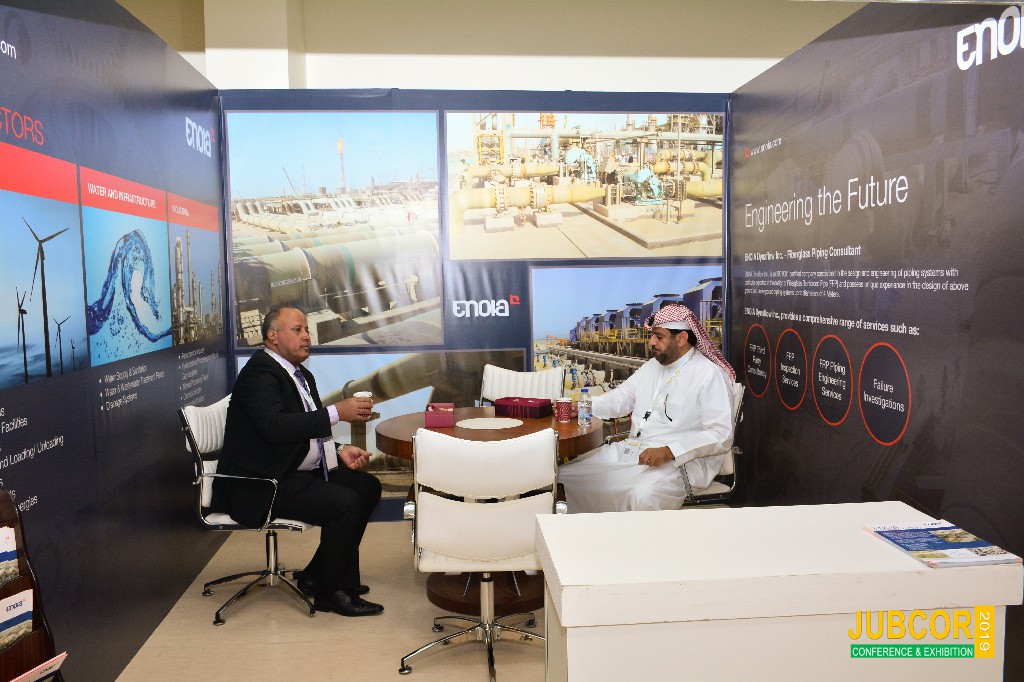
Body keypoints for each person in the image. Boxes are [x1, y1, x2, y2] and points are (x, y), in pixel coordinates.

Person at [218, 306, 383, 617]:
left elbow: (304, 429)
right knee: (346, 504)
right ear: (273, 336)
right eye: (297, 330)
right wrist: (337, 412)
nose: (307, 336)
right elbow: (276, 428)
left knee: (367, 487)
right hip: (262, 482)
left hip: (290, 469)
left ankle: (318, 575)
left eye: (307, 329)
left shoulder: (300, 374)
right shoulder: (259, 373)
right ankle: (331, 593)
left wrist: (338, 450)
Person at [559, 304, 737, 513]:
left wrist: (670, 451)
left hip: (680, 463)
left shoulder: (708, 374)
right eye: (652, 336)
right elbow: (620, 399)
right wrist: (583, 407)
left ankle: (631, 535)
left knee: (642, 495)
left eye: (659, 337)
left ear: (681, 338)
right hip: (634, 449)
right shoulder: (651, 367)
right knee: (566, 475)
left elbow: (721, 434)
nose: (651, 342)